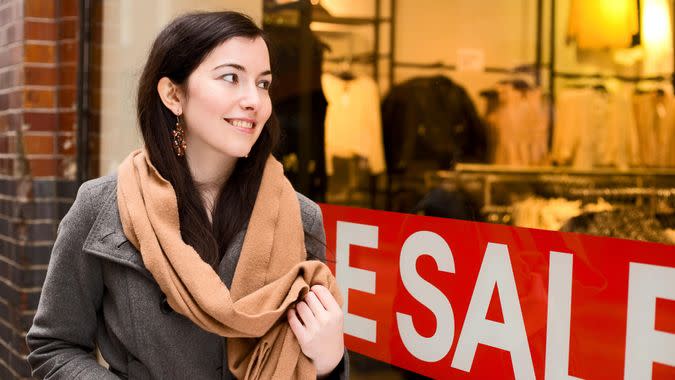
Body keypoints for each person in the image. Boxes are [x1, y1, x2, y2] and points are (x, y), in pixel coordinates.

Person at [26, 11, 347, 379]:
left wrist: (329, 362)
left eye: (263, 83)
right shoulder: (103, 206)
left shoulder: (299, 216)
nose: (254, 100)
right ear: (173, 95)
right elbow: (53, 347)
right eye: (231, 77)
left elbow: (305, 357)